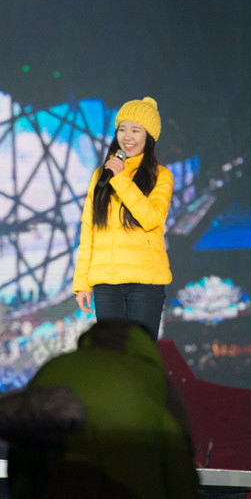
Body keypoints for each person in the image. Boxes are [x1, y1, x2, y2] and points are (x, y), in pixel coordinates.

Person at [0, 318, 198, 499]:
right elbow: (180, 469)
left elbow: (23, 448)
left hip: (51, 498)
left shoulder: (56, 367)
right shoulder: (153, 380)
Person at [73, 97, 173, 340]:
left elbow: (151, 219)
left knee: (139, 356)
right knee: (112, 357)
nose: (127, 136)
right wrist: (82, 283)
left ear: (149, 137)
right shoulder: (100, 175)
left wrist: (121, 179)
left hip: (144, 284)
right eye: (122, 129)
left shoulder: (160, 176)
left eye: (136, 130)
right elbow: (89, 230)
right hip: (107, 285)